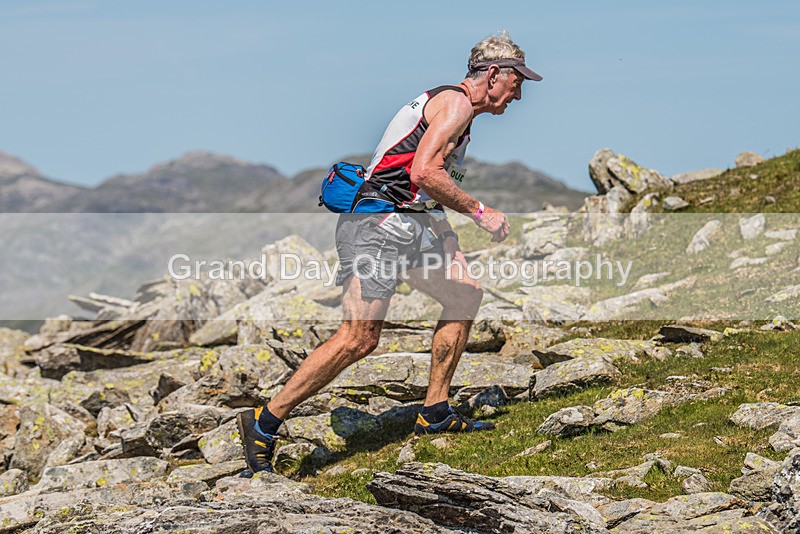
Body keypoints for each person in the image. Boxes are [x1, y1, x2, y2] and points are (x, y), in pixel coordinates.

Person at [237, 30, 542, 474]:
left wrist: (451, 245)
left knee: (464, 295)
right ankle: (264, 424)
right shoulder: (455, 104)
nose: (518, 94)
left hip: (409, 225)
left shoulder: (459, 113)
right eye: (517, 82)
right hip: (376, 227)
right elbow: (424, 172)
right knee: (358, 338)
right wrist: (480, 212)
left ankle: (434, 412)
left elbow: (426, 188)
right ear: (494, 74)